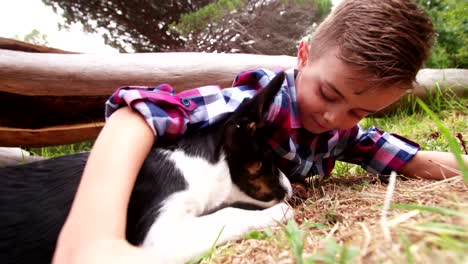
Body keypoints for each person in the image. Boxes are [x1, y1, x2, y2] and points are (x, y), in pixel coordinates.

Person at [52, 0, 468, 263]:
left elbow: (406, 158)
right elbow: (137, 114)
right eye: (328, 93)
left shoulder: (343, 132)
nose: (333, 118)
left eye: (359, 111)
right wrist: (92, 235)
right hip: (158, 196)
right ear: (303, 55)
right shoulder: (251, 103)